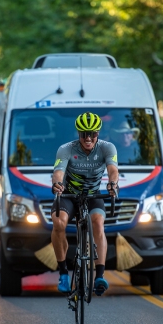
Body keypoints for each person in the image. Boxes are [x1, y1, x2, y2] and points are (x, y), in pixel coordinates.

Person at [51, 113, 119, 296]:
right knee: (58, 223)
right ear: (78, 133)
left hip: (93, 194)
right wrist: (57, 184)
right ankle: (64, 273)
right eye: (83, 134)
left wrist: (113, 184)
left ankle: (99, 275)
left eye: (92, 134)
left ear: (98, 133)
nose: (88, 138)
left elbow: (113, 170)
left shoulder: (107, 148)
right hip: (68, 194)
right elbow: (58, 172)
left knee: (97, 223)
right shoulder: (66, 149)